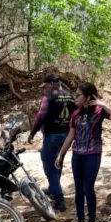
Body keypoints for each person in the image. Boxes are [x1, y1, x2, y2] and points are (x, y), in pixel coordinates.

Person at [55, 81, 111, 222]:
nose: (75, 98)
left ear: (87, 97)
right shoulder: (75, 114)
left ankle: (92, 220)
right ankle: (80, 220)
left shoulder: (99, 111)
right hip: (77, 155)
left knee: (88, 187)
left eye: (78, 95)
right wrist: (61, 154)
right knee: (78, 188)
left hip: (93, 154)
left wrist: (103, 104)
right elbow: (71, 136)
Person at [28, 75, 75, 212]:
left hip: (52, 136)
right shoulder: (71, 97)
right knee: (57, 164)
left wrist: (32, 132)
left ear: (51, 84)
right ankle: (54, 190)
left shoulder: (48, 98)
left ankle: (59, 199)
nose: (44, 90)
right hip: (66, 137)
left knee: (50, 167)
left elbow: (41, 116)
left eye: (45, 86)